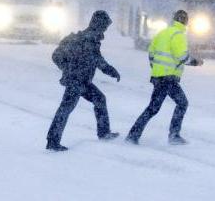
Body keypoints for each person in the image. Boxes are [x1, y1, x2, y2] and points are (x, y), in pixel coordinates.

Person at [46, 10, 121, 152]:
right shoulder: (89, 39)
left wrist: (68, 69)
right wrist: (68, 70)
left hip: (83, 81)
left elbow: (97, 59)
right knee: (65, 109)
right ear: (99, 24)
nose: (106, 28)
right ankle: (52, 142)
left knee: (99, 99)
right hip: (76, 81)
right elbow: (98, 61)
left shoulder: (90, 37)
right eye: (105, 25)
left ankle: (104, 133)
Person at [126, 10, 204, 145]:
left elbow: (151, 53)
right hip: (168, 78)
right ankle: (173, 136)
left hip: (159, 77)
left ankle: (133, 135)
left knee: (153, 108)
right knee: (181, 103)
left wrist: (156, 69)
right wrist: (196, 62)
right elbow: (182, 57)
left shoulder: (163, 33)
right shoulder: (178, 35)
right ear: (186, 22)